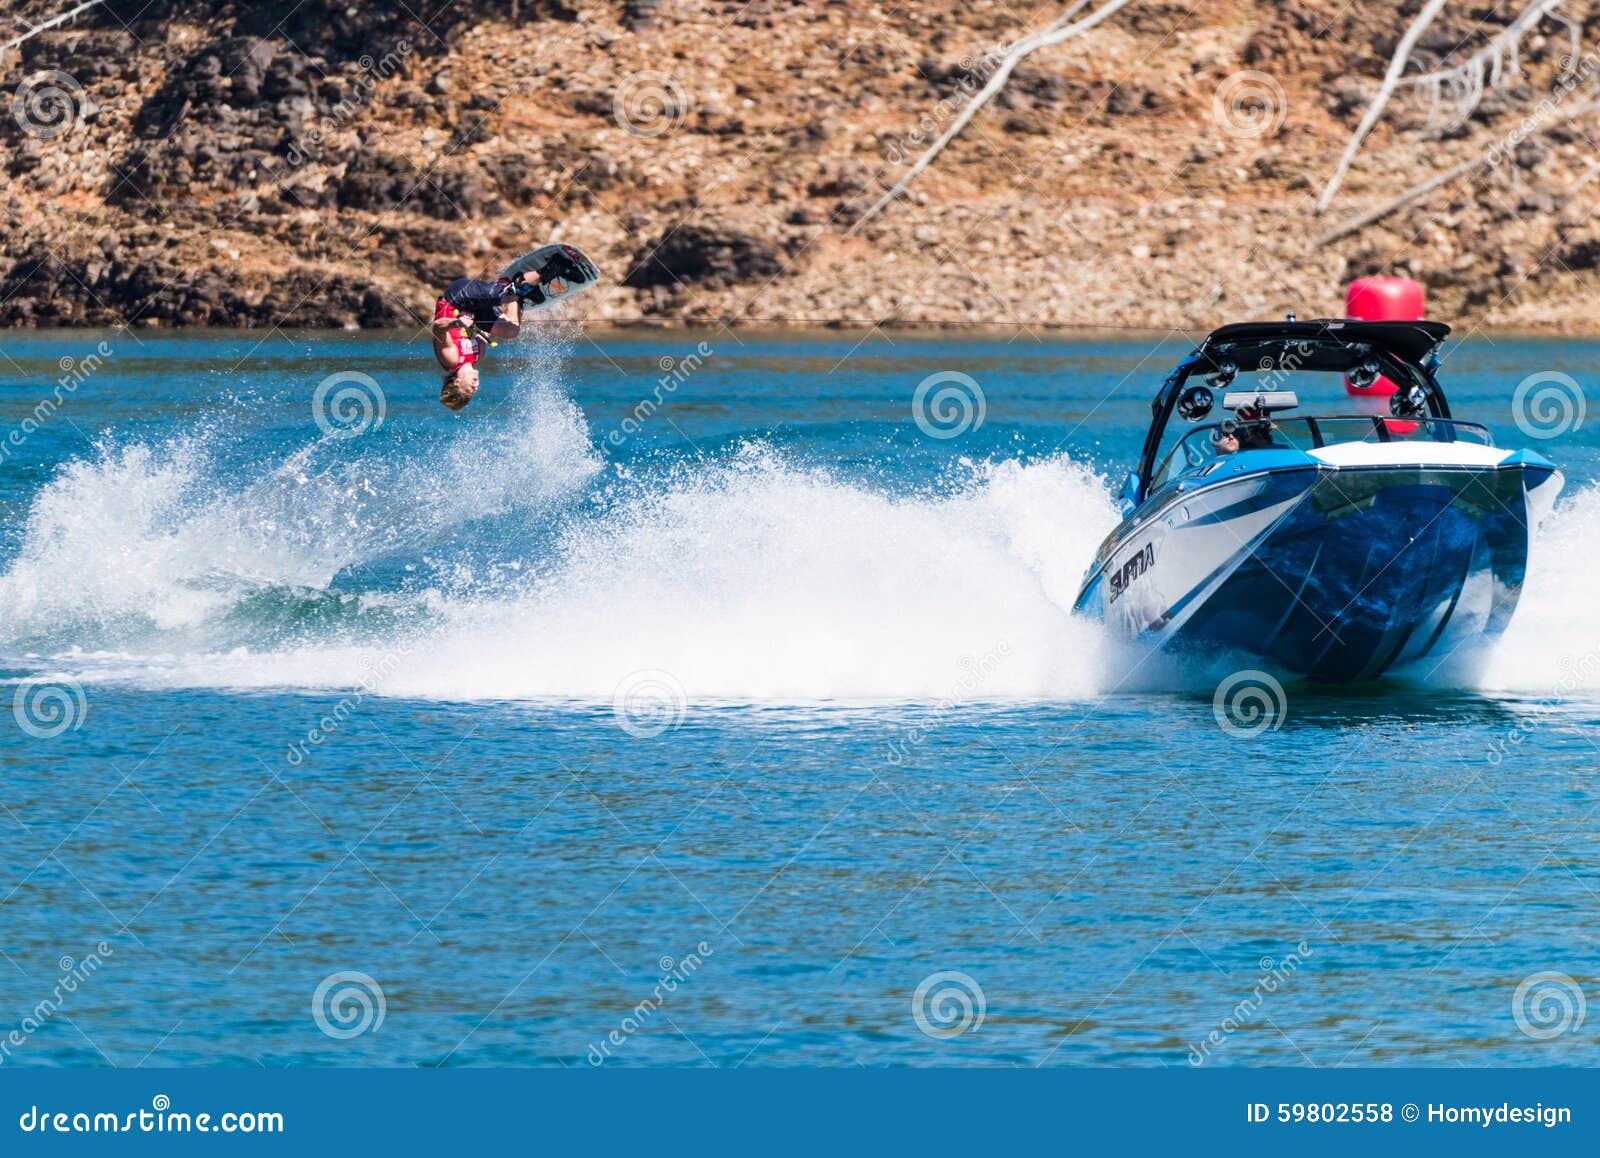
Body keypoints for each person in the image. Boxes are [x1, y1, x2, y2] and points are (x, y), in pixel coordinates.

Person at [432, 271, 540, 411]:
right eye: (474, 392)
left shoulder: (451, 359)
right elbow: (486, 330)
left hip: (457, 297)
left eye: (469, 389)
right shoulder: (479, 354)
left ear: (457, 382)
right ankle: (516, 293)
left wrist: (457, 324)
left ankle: (544, 271)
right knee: (511, 331)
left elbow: (437, 328)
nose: (475, 387)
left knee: (505, 296)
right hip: (476, 310)